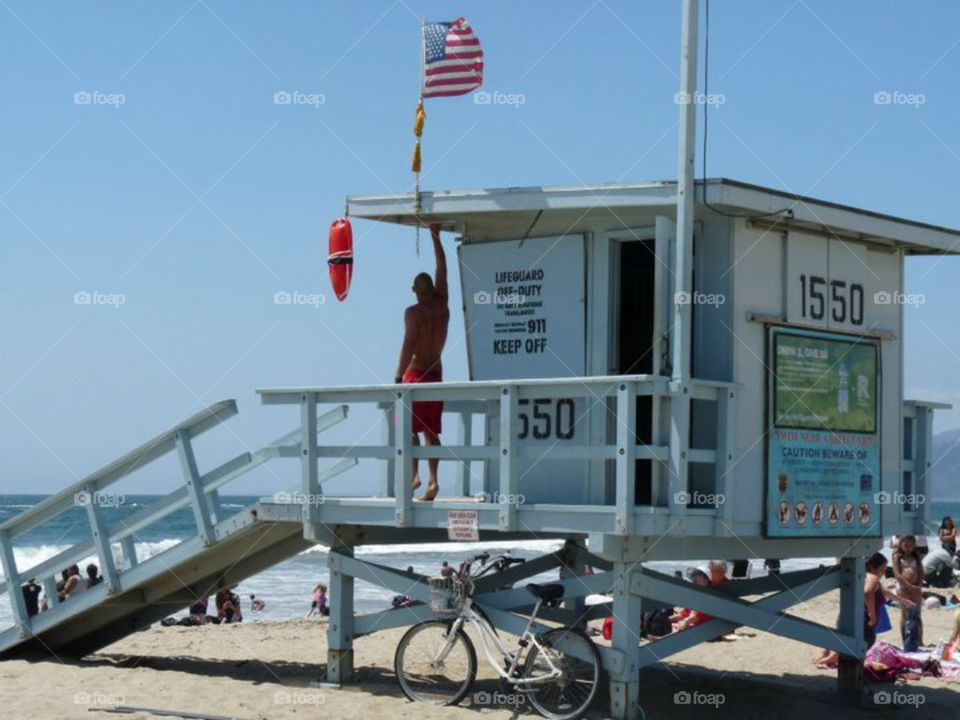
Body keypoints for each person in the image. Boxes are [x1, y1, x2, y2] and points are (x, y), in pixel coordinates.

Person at [394, 223, 449, 502]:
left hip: (415, 374)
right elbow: (442, 267)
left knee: (408, 428)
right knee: (431, 430)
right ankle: (433, 482)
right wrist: (435, 235)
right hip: (436, 373)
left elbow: (408, 344)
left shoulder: (413, 312)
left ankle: (415, 475)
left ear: (416, 290)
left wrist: (397, 376)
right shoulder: (442, 306)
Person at [892, 535, 924, 646]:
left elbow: (921, 572)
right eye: (906, 545)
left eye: (911, 546)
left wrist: (918, 585)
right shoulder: (897, 557)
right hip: (903, 587)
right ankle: (904, 639)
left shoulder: (916, 556)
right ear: (901, 544)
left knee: (917, 614)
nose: (909, 548)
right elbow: (897, 574)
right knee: (905, 614)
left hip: (916, 587)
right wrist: (908, 585)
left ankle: (919, 640)